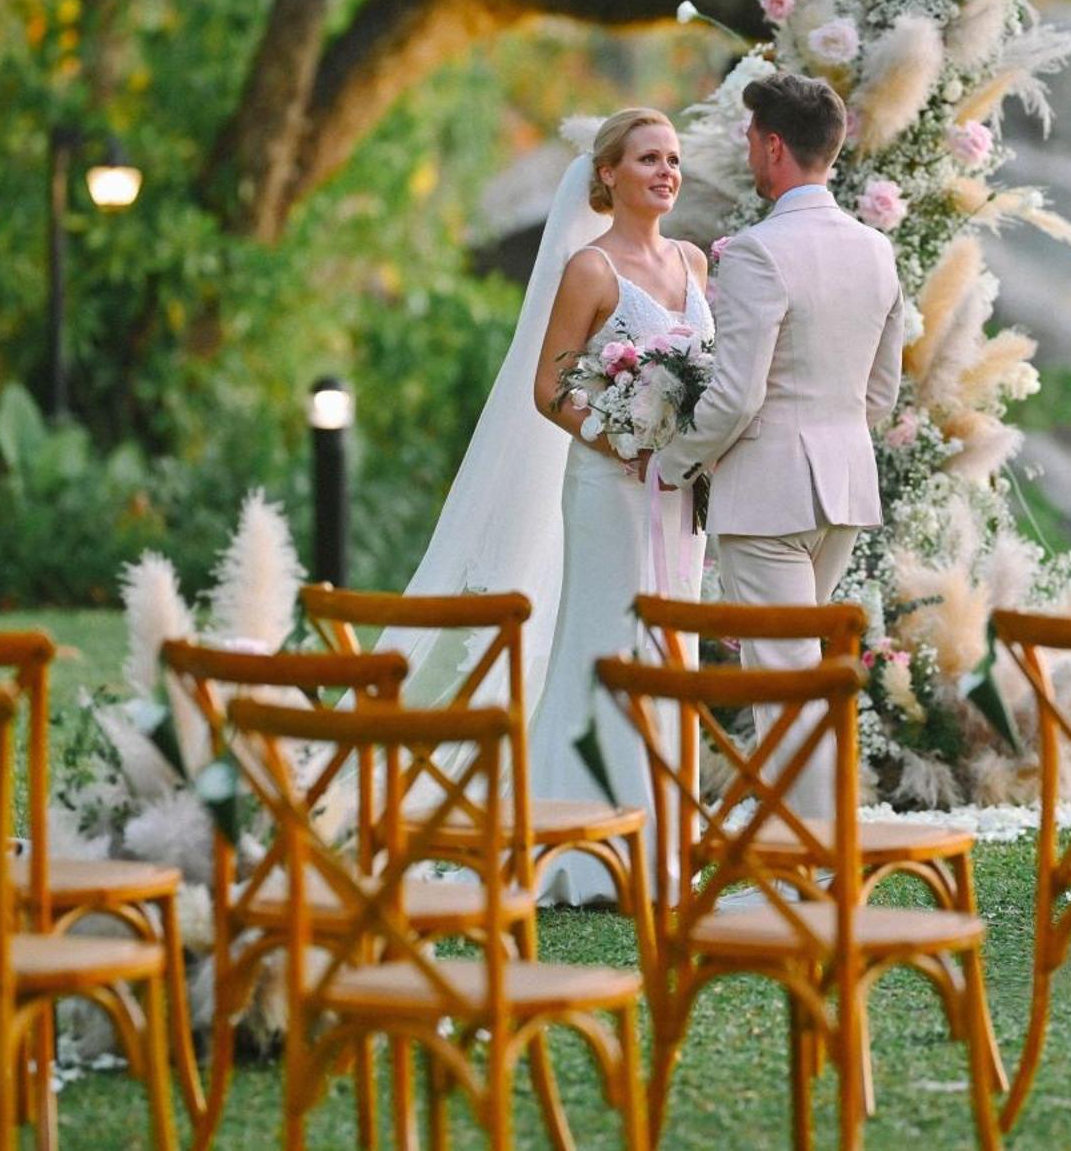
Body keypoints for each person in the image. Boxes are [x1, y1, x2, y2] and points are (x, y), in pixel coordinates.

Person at [384, 108, 711, 906]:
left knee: (674, 651)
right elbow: (549, 386)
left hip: (678, 499)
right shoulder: (591, 271)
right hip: (608, 488)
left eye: (672, 159)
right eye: (646, 159)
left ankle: (665, 835)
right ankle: (587, 850)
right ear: (607, 174)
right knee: (609, 643)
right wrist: (621, 437)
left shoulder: (697, 263)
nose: (665, 171)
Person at [648, 73, 903, 819]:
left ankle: (810, 861)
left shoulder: (757, 251)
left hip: (769, 497)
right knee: (799, 675)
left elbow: (735, 394)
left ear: (773, 146)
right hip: (844, 493)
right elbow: (880, 396)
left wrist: (671, 462)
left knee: (783, 685)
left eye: (752, 140)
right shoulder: (875, 251)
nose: (749, 153)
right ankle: (806, 848)